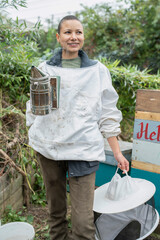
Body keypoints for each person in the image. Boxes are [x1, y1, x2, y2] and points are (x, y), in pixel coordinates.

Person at [26, 15, 129, 240]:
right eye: (68, 32)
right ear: (58, 37)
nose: (74, 37)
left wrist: (118, 152)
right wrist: (35, 133)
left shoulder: (98, 71)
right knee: (55, 213)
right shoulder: (44, 68)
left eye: (78, 32)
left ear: (83, 37)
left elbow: (108, 114)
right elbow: (33, 107)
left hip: (83, 151)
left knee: (83, 225)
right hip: (49, 149)